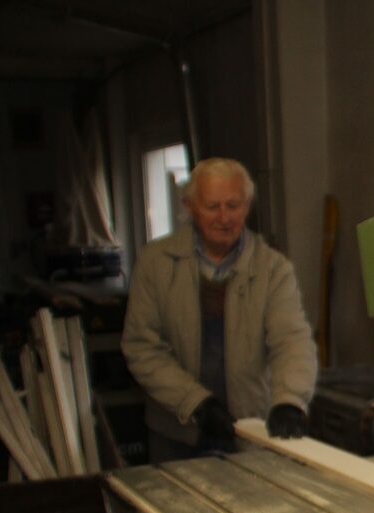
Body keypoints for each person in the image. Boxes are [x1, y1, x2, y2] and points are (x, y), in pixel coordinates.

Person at [122, 157, 316, 461]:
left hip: (249, 431)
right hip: (176, 431)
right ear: (190, 207)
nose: (224, 218)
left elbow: (291, 341)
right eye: (212, 206)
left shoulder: (273, 270)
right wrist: (195, 403)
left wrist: (289, 400)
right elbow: (142, 348)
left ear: (247, 205)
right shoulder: (155, 264)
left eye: (233, 205)